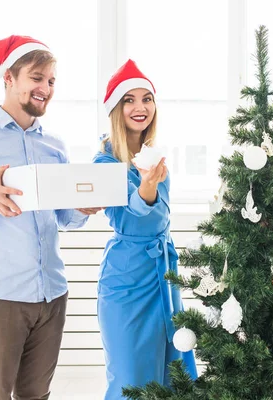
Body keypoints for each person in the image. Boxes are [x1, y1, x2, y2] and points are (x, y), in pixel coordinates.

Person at [0, 34, 100, 399]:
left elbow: (63, 218)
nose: (46, 88)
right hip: (0, 297)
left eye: (52, 81)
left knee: (36, 395)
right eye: (37, 77)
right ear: (9, 78)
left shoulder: (54, 146)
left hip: (52, 293)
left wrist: (82, 209)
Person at [93, 59, 198, 399]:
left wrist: (151, 180)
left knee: (175, 371)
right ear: (115, 109)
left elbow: (160, 218)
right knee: (132, 377)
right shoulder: (104, 163)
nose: (140, 107)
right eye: (129, 100)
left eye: (146, 99)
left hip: (164, 276)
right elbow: (130, 217)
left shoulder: (153, 155)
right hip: (127, 277)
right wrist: (147, 186)